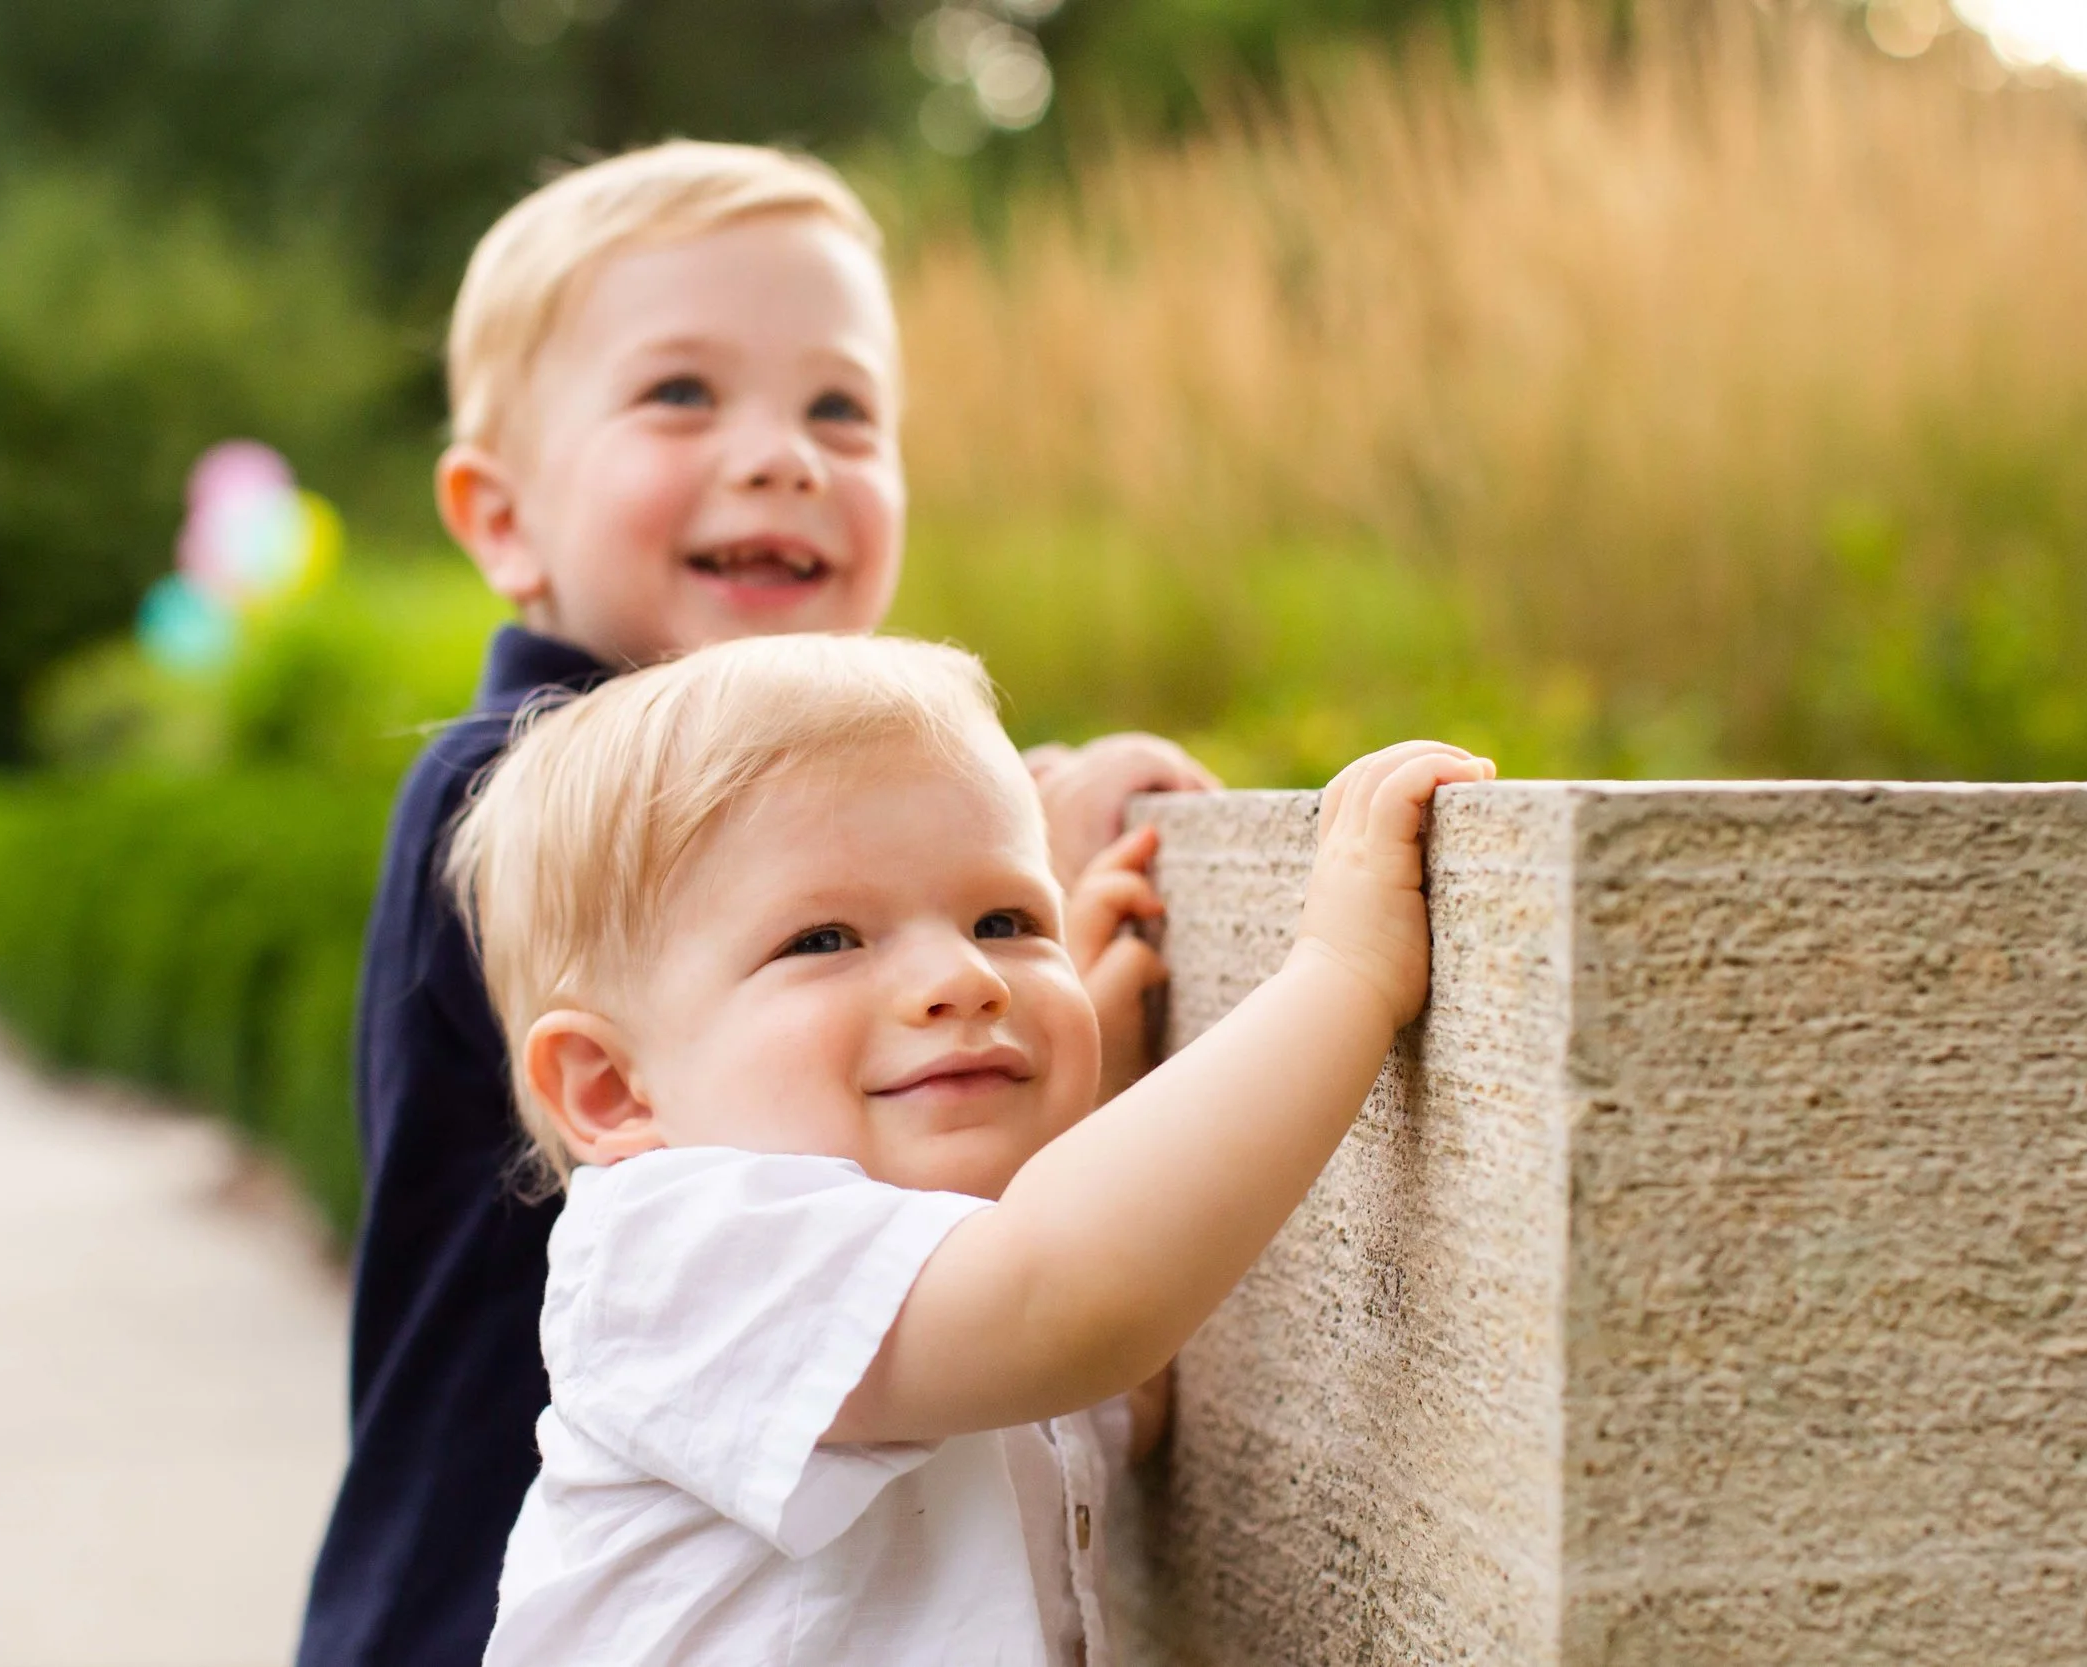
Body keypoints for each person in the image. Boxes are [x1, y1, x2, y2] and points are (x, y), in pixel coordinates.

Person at [294, 140, 1217, 1667]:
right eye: (680, 394)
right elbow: (835, 1116)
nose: (783, 452)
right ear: (501, 515)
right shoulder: (518, 796)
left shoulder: (716, 807)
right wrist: (1026, 888)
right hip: (499, 1600)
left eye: (841, 408)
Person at [443, 633, 1494, 1666]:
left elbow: (1121, 1391)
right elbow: (1073, 1306)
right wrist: (1343, 971)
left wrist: (1099, 1092)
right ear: (613, 1085)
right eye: (824, 939)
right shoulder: (678, 1254)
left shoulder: (957, 1271)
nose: (964, 977)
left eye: (1002, 918)